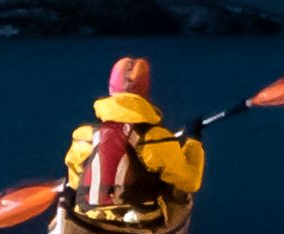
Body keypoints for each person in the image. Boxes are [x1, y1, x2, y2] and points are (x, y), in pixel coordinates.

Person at [64, 54, 208, 218]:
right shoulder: (157, 138)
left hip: (90, 211)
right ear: (144, 92)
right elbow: (190, 181)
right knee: (174, 193)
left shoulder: (84, 136)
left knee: (79, 201)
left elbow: (76, 182)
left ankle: (96, 218)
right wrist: (193, 141)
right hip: (140, 214)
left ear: (111, 90)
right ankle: (131, 218)